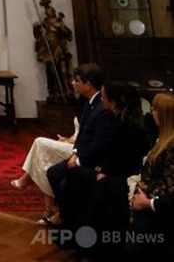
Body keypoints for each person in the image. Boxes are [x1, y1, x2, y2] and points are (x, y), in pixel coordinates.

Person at [60, 81, 150, 258]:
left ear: (114, 102)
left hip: (122, 176)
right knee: (74, 176)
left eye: (103, 97)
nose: (101, 100)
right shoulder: (122, 121)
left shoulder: (127, 127)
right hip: (112, 171)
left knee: (80, 180)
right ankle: (75, 233)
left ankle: (81, 238)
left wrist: (105, 171)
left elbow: (126, 158)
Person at [45, 63, 116, 225]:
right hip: (81, 154)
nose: (73, 83)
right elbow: (82, 134)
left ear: (88, 84)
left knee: (64, 181)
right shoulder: (89, 103)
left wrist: (78, 161)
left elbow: (98, 143)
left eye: (76, 80)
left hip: (93, 160)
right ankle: (67, 213)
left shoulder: (101, 108)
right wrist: (75, 152)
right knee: (53, 172)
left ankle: (69, 217)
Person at [124, 91, 174, 261]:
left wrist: (146, 201)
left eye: (155, 109)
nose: (152, 112)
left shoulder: (171, 145)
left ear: (164, 114)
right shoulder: (162, 139)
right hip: (148, 197)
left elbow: (169, 185)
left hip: (159, 206)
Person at [10, 115, 79, 219]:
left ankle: (29, 177)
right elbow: (78, 134)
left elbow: (89, 138)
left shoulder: (97, 110)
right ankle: (49, 206)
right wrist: (67, 140)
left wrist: (70, 143)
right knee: (43, 151)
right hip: (75, 145)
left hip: (80, 150)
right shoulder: (86, 107)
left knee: (40, 144)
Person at [33, 0, 74, 103]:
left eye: (51, 10)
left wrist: (60, 27)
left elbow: (68, 35)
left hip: (59, 50)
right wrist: (37, 26)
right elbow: (37, 33)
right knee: (51, 71)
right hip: (49, 51)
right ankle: (55, 92)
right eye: (48, 11)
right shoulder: (45, 22)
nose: (50, 12)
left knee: (63, 71)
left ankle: (67, 91)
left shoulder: (59, 22)